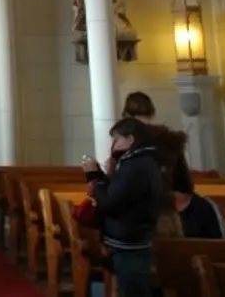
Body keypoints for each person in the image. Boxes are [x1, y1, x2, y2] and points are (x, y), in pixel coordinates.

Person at [83, 118, 163, 297]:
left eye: (117, 139)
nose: (113, 144)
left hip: (130, 244)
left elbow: (110, 202)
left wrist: (94, 177)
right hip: (130, 239)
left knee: (133, 291)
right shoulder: (137, 162)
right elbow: (116, 193)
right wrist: (100, 175)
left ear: (130, 140)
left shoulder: (136, 166)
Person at [110, 91, 191, 237]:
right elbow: (184, 185)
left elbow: (114, 186)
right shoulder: (170, 142)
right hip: (165, 215)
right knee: (174, 258)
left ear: (126, 116)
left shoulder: (123, 143)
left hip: (132, 221)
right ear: (152, 113)